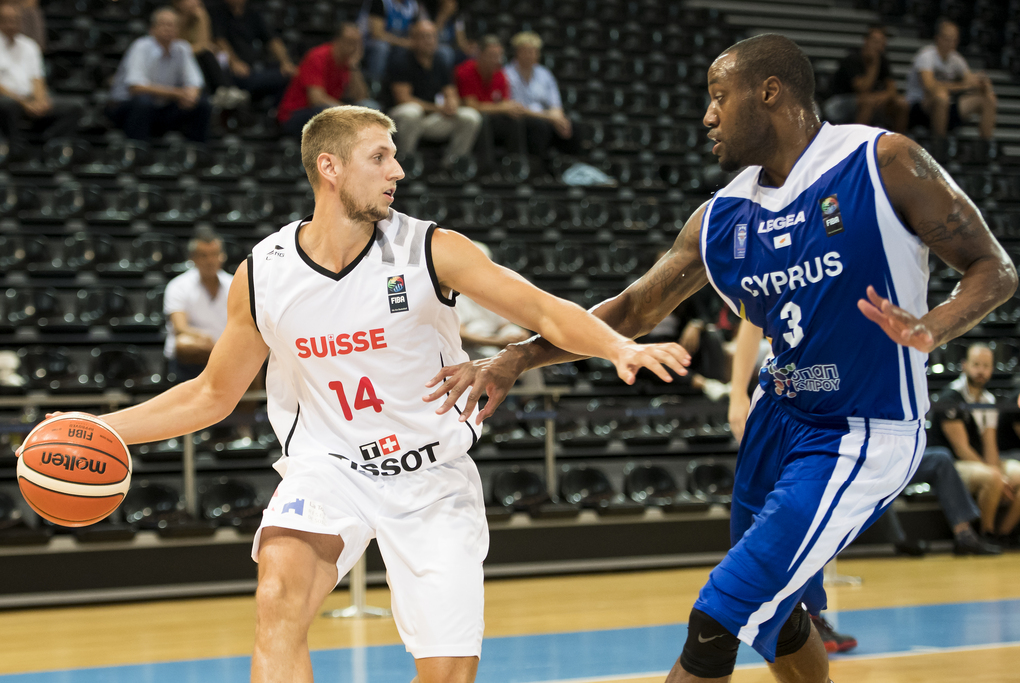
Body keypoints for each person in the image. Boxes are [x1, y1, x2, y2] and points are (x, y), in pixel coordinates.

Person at [426, 33, 1017, 683]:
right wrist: (517, 357)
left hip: (859, 428)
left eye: (717, 96)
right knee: (773, 616)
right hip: (776, 419)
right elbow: (632, 310)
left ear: (769, 92)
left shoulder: (882, 162)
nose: (707, 115)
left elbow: (995, 269)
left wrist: (933, 327)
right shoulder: (724, 216)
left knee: (718, 616)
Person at [58, 105, 685, 683]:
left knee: (446, 675)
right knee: (277, 598)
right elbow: (211, 394)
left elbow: (544, 310)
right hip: (327, 470)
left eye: (395, 156)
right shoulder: (264, 272)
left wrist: (617, 347)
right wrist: (102, 428)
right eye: (380, 157)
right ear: (328, 168)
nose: (399, 170)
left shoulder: (433, 249)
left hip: (431, 475)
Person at [731, 320, 1001, 557]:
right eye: (977, 364)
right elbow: (752, 322)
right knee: (864, 473)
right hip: (825, 423)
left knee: (917, 463)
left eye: (986, 366)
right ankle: (899, 540)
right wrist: (737, 394)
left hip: (888, 435)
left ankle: (967, 534)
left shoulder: (889, 353)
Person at [930, 344, 1020, 545]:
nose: (981, 371)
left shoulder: (988, 400)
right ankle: (985, 533)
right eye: (976, 365)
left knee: (1017, 475)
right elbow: (962, 449)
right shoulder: (950, 398)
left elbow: (990, 445)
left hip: (978, 461)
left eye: (986, 366)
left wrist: (1000, 473)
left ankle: (1004, 534)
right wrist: (997, 476)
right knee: (992, 478)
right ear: (964, 366)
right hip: (953, 465)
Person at [106, 7, 211, 143]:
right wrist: (178, 94)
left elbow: (195, 81)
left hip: (162, 107)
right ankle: (136, 151)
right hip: (126, 107)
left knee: (202, 104)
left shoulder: (182, 48)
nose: (168, 29)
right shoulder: (141, 46)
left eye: (173, 25)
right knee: (143, 102)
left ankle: (196, 153)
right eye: (164, 24)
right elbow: (136, 87)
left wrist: (191, 95)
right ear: (152, 29)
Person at [387, 19, 481, 162]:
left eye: (431, 36)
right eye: (423, 37)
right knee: (411, 112)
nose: (429, 41)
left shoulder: (440, 61)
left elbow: (450, 91)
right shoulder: (401, 60)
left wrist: (452, 104)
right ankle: (404, 164)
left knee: (470, 117)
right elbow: (403, 99)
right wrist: (437, 109)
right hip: (400, 117)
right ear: (413, 39)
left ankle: (452, 165)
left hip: (429, 118)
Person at [0, 2, 81, 154]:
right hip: (9, 100)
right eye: (7, 20)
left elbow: (37, 78)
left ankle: (50, 148)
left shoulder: (29, 45)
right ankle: (15, 152)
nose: (12, 24)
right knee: (6, 105)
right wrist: (24, 103)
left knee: (74, 106)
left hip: (30, 99)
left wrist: (40, 99)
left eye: (15, 20)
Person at [906, 18, 998, 143]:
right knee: (941, 96)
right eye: (947, 38)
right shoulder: (926, 56)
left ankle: (986, 145)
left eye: (954, 39)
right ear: (937, 38)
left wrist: (981, 84)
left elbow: (969, 82)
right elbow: (929, 86)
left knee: (988, 99)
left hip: (948, 107)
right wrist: (963, 86)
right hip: (920, 107)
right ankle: (939, 145)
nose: (950, 43)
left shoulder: (957, 59)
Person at [277, 23, 375, 138]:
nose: (352, 47)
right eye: (349, 41)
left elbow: (361, 96)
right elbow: (317, 99)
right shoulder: (317, 56)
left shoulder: (348, 63)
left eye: (356, 43)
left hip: (328, 111)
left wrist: (354, 66)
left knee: (370, 107)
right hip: (297, 114)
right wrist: (349, 112)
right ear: (337, 40)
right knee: (330, 115)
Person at [162, 228, 232, 382]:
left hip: (226, 354)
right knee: (184, 344)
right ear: (193, 258)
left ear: (222, 256)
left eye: (214, 254)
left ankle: (249, 405)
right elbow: (180, 328)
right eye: (203, 255)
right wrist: (204, 337)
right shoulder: (178, 286)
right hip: (192, 356)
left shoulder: (234, 284)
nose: (210, 261)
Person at [503, 31, 581, 160]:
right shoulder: (507, 74)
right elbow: (516, 108)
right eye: (527, 51)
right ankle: (539, 169)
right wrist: (549, 118)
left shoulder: (544, 74)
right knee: (539, 127)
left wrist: (559, 120)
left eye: (534, 51)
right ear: (517, 52)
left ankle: (571, 167)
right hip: (522, 120)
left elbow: (555, 104)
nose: (531, 55)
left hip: (546, 118)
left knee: (573, 126)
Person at [208, 0, 295, 108]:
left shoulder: (253, 12)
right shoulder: (216, 12)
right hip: (233, 71)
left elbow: (272, 40)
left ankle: (274, 114)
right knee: (273, 77)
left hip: (256, 66)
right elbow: (219, 40)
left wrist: (285, 62)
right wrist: (234, 62)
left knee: (291, 75)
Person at [455, 35, 526, 165]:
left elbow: (504, 102)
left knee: (514, 119)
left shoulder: (500, 75)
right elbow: (471, 106)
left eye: (499, 55)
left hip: (493, 117)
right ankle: (486, 167)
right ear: (480, 54)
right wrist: (503, 108)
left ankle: (515, 165)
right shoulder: (465, 71)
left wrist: (512, 108)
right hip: (469, 118)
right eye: (492, 55)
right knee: (483, 119)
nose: (496, 60)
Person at [824, 25, 907, 133]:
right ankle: (858, 142)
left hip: (870, 101)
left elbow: (892, 90)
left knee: (901, 104)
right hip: (839, 102)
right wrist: (874, 65)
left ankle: (896, 143)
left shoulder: (884, 61)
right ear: (866, 41)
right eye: (876, 41)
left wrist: (881, 97)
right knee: (868, 102)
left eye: (882, 41)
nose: (880, 45)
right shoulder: (852, 59)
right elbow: (862, 89)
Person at [171, 0, 248, 110]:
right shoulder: (171, 18)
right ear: (178, 3)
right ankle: (218, 91)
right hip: (178, 60)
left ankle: (224, 91)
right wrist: (199, 47)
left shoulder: (200, 15)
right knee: (205, 54)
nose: (195, 3)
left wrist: (202, 18)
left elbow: (204, 42)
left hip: (197, 56)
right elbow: (176, 48)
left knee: (215, 55)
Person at [362, 0, 421, 81]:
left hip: (398, 42)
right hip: (370, 42)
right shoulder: (380, 2)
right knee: (382, 47)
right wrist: (403, 43)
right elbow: (377, 34)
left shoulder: (413, 4)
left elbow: (416, 31)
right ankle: (375, 82)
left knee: (421, 46)